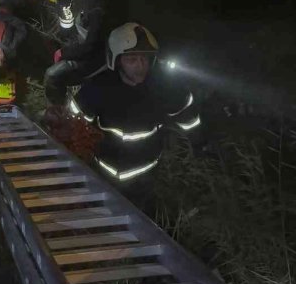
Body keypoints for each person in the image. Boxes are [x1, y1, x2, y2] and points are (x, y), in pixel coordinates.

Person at [69, 23, 201, 192]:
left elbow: (189, 119)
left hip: (145, 178)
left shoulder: (165, 87)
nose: (140, 65)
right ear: (116, 61)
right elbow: (74, 123)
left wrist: (199, 147)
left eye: (144, 58)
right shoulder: (98, 87)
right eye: (132, 59)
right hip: (100, 173)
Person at [44, 0, 112, 108]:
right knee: (51, 46)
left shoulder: (101, 11)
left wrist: (64, 53)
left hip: (97, 59)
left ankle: (57, 111)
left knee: (52, 75)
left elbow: (91, 47)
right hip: (86, 45)